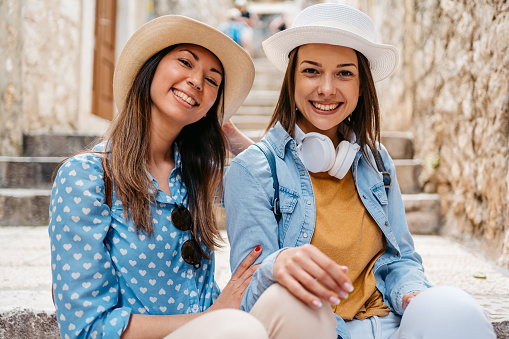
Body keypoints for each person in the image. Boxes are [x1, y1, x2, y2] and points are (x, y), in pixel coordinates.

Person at [48, 15, 335, 339]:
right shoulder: (87, 178)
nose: (197, 81)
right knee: (239, 329)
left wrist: (242, 144)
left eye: (212, 80)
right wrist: (212, 316)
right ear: (150, 69)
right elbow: (84, 327)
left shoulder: (196, 175)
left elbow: (281, 187)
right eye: (185, 62)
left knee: (304, 305)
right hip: (211, 328)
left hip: (219, 326)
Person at [224, 4, 496, 339]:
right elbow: (249, 293)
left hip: (388, 322)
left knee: (456, 310)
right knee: (290, 301)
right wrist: (275, 267)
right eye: (311, 71)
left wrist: (412, 291)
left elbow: (402, 260)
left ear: (362, 86)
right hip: (314, 327)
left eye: (344, 73)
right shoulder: (252, 170)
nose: (326, 88)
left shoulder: (377, 160)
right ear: (290, 81)